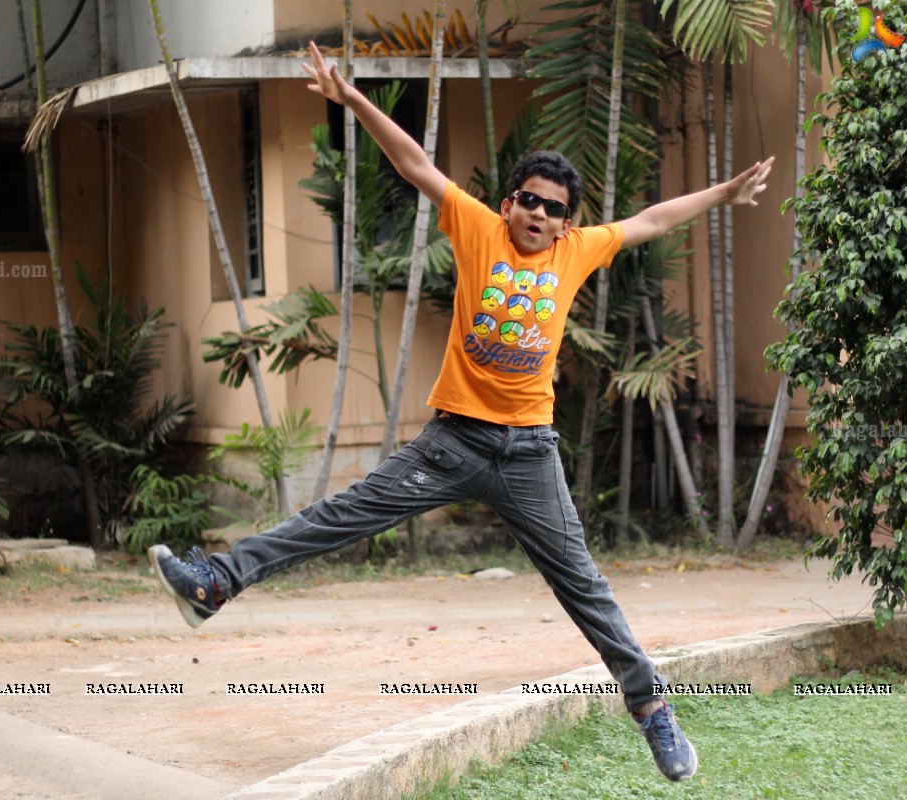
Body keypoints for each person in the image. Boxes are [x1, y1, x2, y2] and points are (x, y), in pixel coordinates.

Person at [149, 41, 774, 783]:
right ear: (510, 202)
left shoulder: (577, 251)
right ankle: (215, 583)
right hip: (453, 443)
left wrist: (724, 193)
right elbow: (415, 162)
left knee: (584, 586)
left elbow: (653, 219)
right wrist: (352, 100)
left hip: (530, 455)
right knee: (339, 515)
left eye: (554, 209)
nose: (540, 215)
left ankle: (652, 712)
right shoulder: (479, 228)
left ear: (566, 221)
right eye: (530, 201)